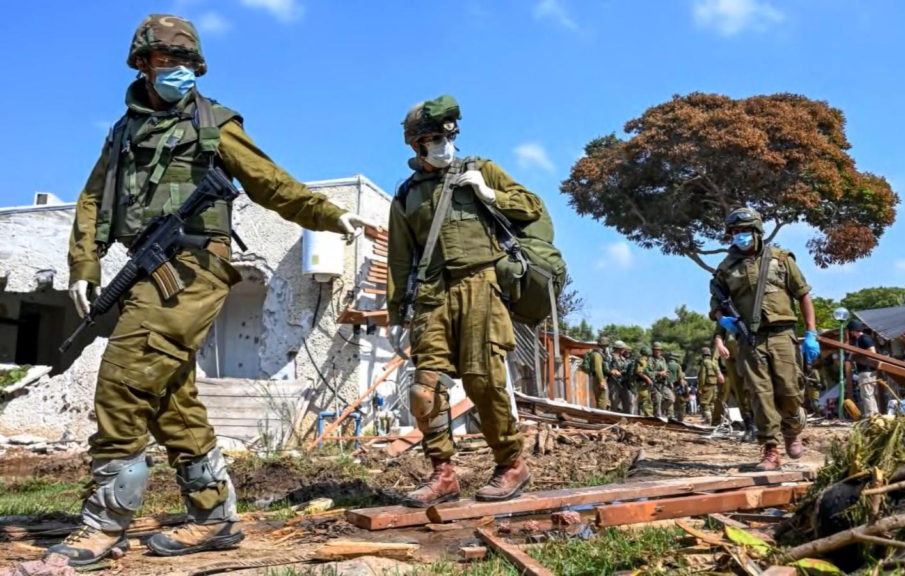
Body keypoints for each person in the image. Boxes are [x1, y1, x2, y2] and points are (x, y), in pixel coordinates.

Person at [51, 14, 374, 566]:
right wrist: (85, 262)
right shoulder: (123, 132)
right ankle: (214, 518)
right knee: (170, 401)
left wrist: (326, 213)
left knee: (125, 381)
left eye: (186, 62)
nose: (178, 70)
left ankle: (103, 525)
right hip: (146, 267)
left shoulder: (212, 122)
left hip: (195, 265)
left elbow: (268, 180)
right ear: (143, 64)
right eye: (166, 60)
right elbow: (92, 200)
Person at [387, 95, 542, 508]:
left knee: (483, 380)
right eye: (434, 139)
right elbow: (399, 257)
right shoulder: (407, 195)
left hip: (480, 284)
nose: (444, 145)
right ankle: (443, 474)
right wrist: (397, 312)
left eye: (448, 137)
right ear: (416, 145)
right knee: (424, 388)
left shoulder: (482, 169)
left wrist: (490, 194)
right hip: (432, 293)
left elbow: (532, 207)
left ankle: (511, 464)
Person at [709, 207, 818, 471]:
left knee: (789, 390)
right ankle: (770, 448)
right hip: (749, 339)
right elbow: (717, 303)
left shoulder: (781, 259)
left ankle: (792, 429)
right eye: (735, 232)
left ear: (757, 231)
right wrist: (723, 320)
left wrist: (811, 333)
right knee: (759, 394)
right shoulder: (726, 268)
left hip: (782, 334)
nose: (740, 235)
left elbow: (803, 294)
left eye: (745, 230)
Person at [713, 330, 756, 442]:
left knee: (757, 389)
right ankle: (750, 426)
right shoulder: (725, 318)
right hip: (731, 357)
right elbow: (719, 332)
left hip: (752, 352)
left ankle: (763, 425)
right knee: (739, 392)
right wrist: (720, 345)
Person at [847, 319, 880, 417]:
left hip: (867, 370)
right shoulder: (859, 340)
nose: (850, 333)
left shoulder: (864, 338)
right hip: (864, 370)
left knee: (867, 394)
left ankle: (871, 415)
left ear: (853, 330)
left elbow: (872, 352)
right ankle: (874, 415)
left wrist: (857, 354)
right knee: (867, 394)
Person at [696, 347, 723, 423]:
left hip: (706, 386)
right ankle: (714, 419)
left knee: (704, 403)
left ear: (702, 355)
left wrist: (700, 388)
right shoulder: (713, 363)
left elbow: (702, 377)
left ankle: (708, 419)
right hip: (714, 386)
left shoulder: (704, 363)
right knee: (712, 403)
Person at [646, 342, 670, 417]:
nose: (658, 351)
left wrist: (666, 374)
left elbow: (666, 370)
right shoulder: (650, 359)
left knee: (671, 398)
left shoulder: (662, 359)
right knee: (657, 400)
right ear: (653, 350)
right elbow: (648, 372)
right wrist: (659, 373)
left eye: (659, 350)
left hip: (663, 383)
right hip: (655, 383)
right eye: (656, 350)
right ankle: (657, 416)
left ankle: (661, 412)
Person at [587, 338, 611, 410]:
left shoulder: (597, 354)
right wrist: (601, 380)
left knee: (604, 400)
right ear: (604, 346)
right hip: (598, 379)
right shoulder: (597, 355)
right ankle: (600, 416)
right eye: (606, 346)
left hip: (598, 378)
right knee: (602, 400)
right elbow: (598, 369)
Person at [608, 341, 630, 413]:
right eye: (623, 348)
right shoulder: (610, 357)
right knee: (614, 402)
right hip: (614, 382)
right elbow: (605, 368)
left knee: (626, 402)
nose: (624, 350)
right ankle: (614, 417)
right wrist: (612, 371)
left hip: (623, 382)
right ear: (619, 349)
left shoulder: (623, 358)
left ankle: (627, 417)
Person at [634, 345, 654, 417]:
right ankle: (648, 417)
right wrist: (648, 379)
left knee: (643, 402)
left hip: (642, 384)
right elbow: (639, 372)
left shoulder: (641, 360)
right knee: (645, 401)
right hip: (642, 384)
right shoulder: (643, 361)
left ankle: (643, 416)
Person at [666, 352, 686, 421]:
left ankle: (669, 415)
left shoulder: (666, 364)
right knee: (675, 401)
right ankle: (675, 417)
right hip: (675, 386)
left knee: (669, 401)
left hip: (666, 386)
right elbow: (680, 377)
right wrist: (682, 387)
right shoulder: (677, 366)